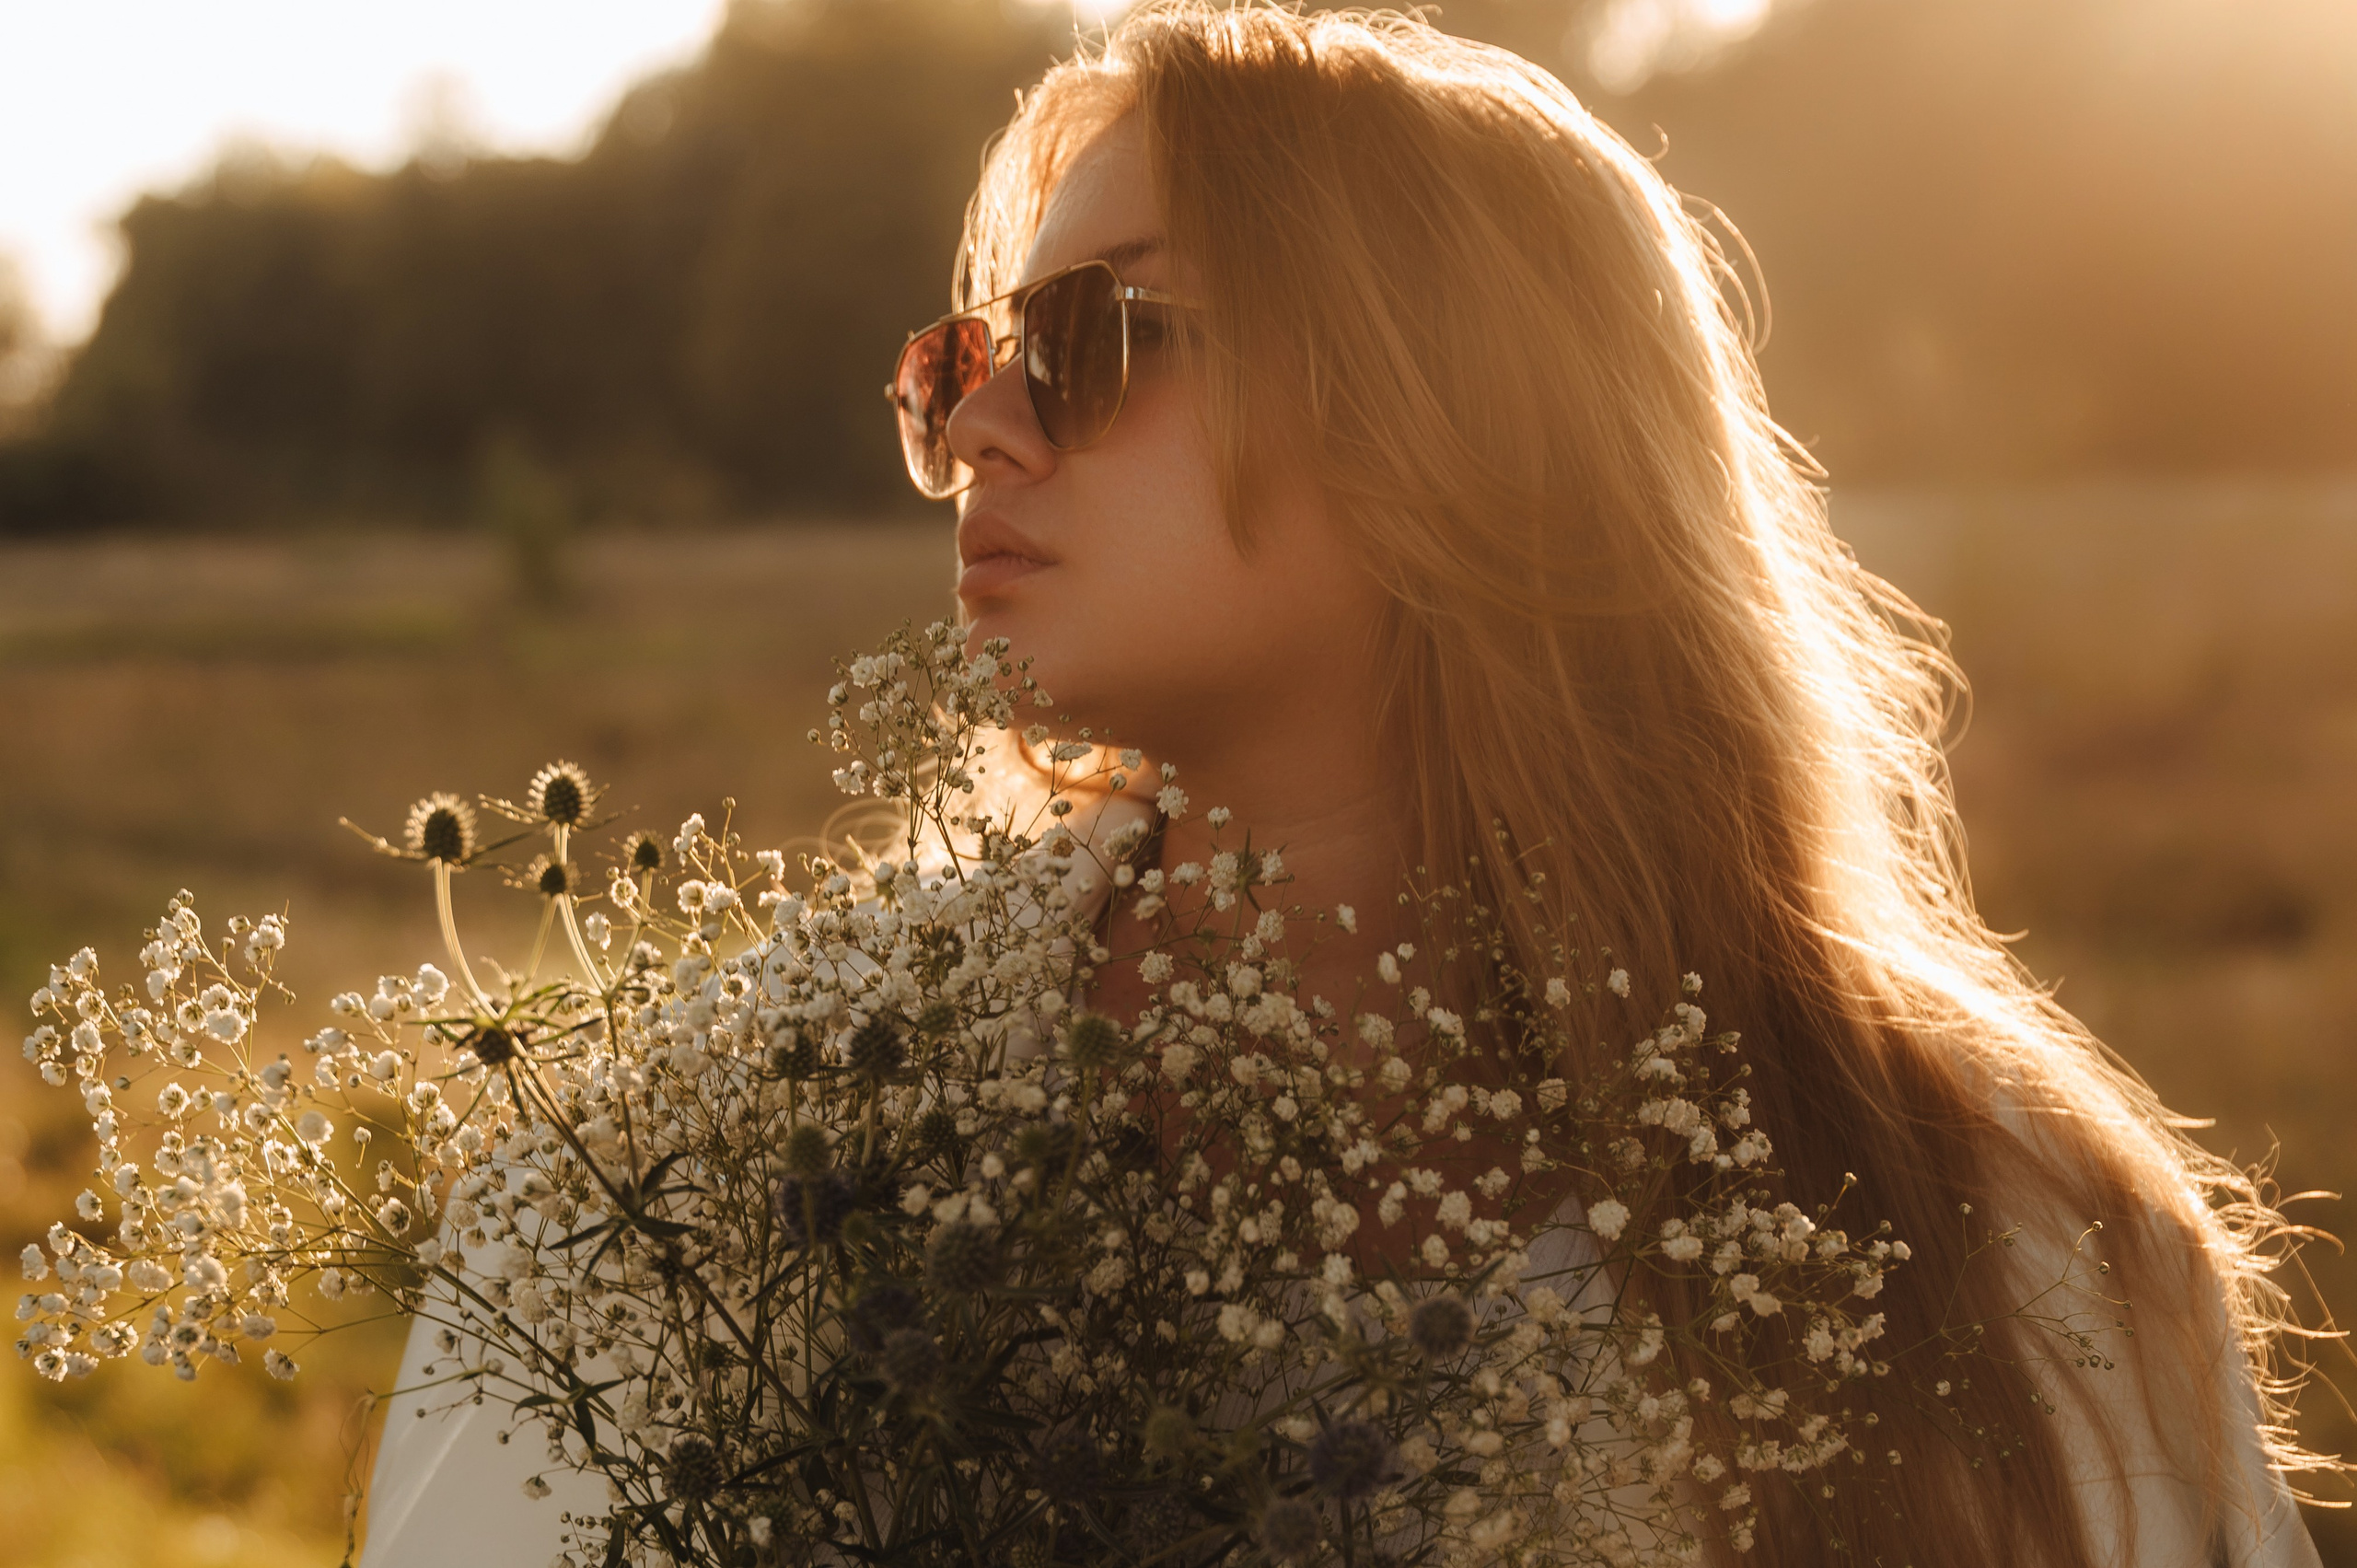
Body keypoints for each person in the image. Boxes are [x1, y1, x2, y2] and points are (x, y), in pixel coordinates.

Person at [369, 6, 2328, 1563]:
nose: (974, 426)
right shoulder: (725, 1170)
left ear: (1448, 413)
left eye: (1085, 340)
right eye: (955, 357)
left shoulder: (2000, 1225)